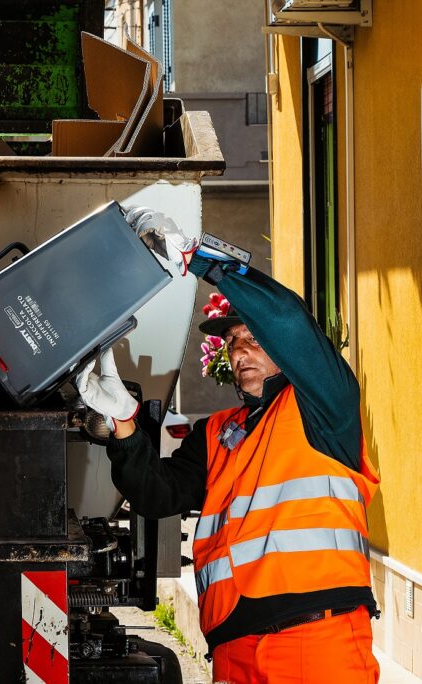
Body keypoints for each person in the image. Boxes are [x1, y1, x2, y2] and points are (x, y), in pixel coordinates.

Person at [75, 214, 381, 683]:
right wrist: (124, 425)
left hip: (318, 641)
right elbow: (157, 495)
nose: (239, 352)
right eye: (233, 342)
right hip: (233, 648)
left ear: (286, 353)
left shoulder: (322, 407)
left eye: (254, 340)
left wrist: (203, 262)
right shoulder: (217, 432)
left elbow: (290, 322)